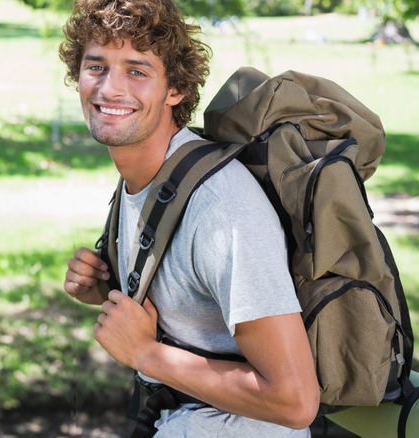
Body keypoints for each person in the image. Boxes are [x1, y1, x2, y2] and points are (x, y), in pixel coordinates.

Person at [60, 0, 320, 435]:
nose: (109, 88)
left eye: (137, 71)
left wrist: (146, 354)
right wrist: (109, 290)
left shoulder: (222, 210)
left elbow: (295, 401)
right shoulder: (145, 179)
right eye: (96, 66)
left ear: (175, 89)